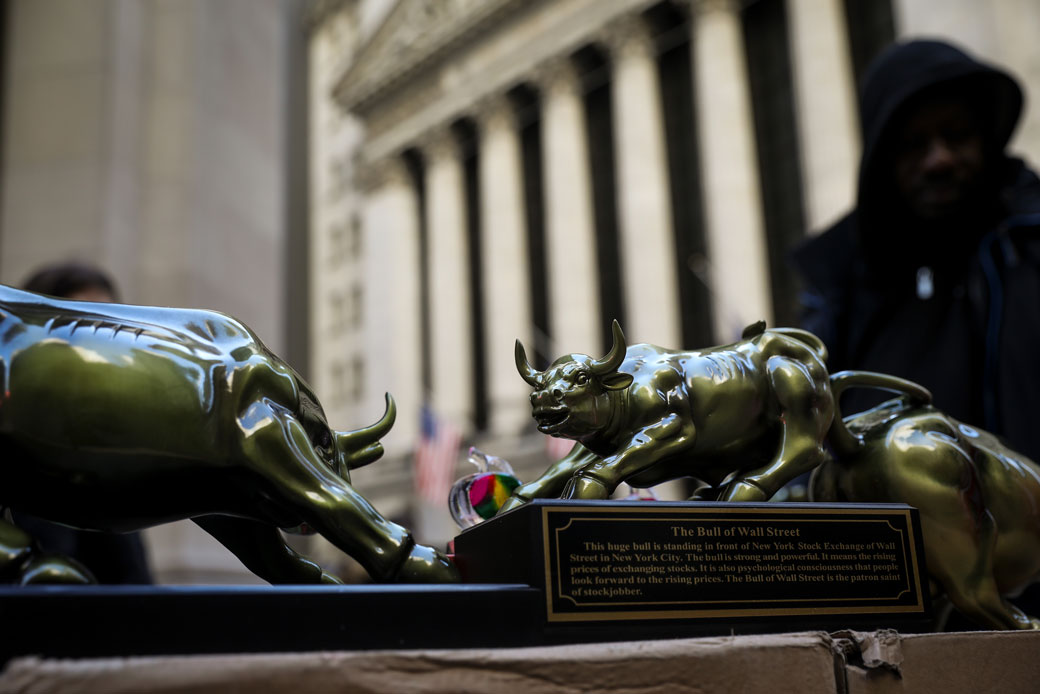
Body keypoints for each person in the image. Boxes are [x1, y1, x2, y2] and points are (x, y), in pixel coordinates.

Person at [791, 38, 1040, 462]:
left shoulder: (1030, 249)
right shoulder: (842, 293)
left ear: (985, 139)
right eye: (913, 144)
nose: (938, 159)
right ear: (883, 161)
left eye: (956, 135)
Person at [11, 261, 153, 584]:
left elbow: (137, 586)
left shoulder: (112, 455)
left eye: (112, 326)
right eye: (84, 326)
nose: (104, 342)